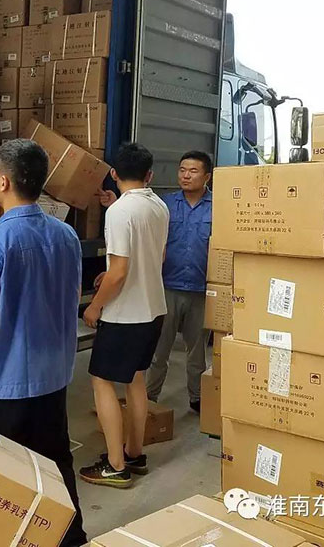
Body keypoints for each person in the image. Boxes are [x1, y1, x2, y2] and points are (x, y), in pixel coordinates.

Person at [0, 139, 87, 547]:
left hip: (4, 384)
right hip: (53, 378)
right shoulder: (66, 236)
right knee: (55, 465)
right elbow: (70, 297)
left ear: (2, 181)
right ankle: (70, 538)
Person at [79, 143, 168, 488]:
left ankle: (115, 465)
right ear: (150, 175)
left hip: (125, 315)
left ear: (114, 173)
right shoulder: (159, 206)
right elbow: (156, 258)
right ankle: (134, 453)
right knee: (136, 379)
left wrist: (95, 305)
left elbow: (118, 272)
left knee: (101, 381)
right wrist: (113, 273)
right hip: (154, 309)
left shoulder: (118, 212)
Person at [146, 151, 213, 411]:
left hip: (201, 290)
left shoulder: (219, 207)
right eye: (182, 170)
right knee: (158, 349)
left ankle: (197, 399)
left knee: (197, 352)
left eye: (193, 171)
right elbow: (142, 221)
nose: (186, 175)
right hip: (167, 287)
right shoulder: (165, 204)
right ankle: (149, 398)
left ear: (207, 176)